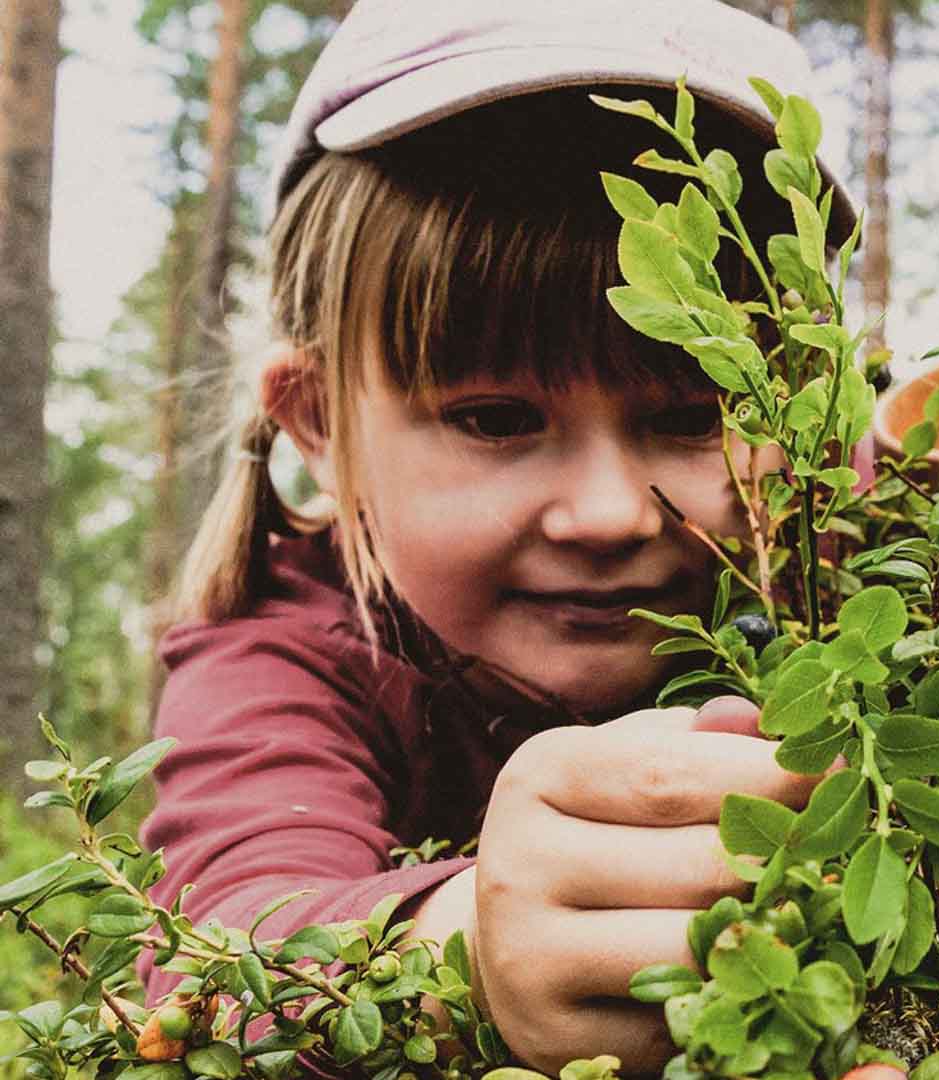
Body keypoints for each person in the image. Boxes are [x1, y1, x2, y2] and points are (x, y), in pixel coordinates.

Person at [137, 1, 893, 1075]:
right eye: (496, 419)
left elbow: (938, 452)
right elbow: (223, 950)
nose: (609, 513)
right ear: (318, 423)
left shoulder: (827, 536)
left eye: (693, 414)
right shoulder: (284, 646)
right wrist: (472, 946)